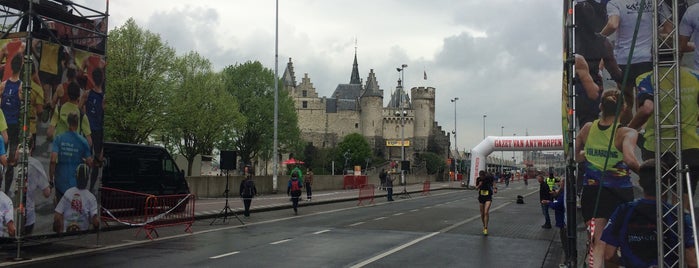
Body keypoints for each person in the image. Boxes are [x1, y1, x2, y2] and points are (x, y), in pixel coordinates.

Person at [575, 88, 641, 268]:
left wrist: (588, 154)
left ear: (600, 106)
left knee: (597, 244)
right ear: (624, 109)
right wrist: (647, 173)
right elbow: (629, 159)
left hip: (592, 193)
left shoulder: (587, 128)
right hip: (619, 194)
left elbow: (577, 156)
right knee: (613, 246)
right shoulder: (627, 133)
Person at [601, 159, 697, 267]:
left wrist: (628, 263)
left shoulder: (623, 211)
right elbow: (692, 262)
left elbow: (608, 255)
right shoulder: (680, 216)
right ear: (668, 182)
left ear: (639, 182)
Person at [628, 63, 699, 210]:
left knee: (657, 199)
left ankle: (658, 231)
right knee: (682, 204)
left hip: (656, 146)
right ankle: (681, 231)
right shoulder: (694, 76)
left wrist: (628, 129)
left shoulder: (646, 78)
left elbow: (647, 109)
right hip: (689, 146)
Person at [598, 0, 671, 125]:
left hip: (624, 59)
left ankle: (625, 131)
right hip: (647, 58)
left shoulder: (615, 3)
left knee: (626, 102)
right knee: (643, 99)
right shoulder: (656, 1)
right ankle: (641, 131)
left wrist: (598, 37)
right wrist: (651, 32)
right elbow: (669, 28)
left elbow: (613, 24)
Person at [49, 112, 93, 203]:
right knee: (73, 212)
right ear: (77, 124)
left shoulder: (59, 138)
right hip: (75, 183)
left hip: (60, 181)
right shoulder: (82, 141)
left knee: (60, 211)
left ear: (68, 123)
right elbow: (90, 163)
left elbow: (53, 160)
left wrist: (51, 178)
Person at [0, 53, 23, 194]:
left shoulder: (4, 85)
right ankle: (6, 190)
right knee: (10, 162)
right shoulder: (21, 87)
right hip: (10, 127)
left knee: (6, 159)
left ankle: (5, 189)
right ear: (20, 67)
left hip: (6, 126)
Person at [53, 164, 99, 233]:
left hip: (67, 235)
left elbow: (57, 216)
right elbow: (95, 220)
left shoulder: (68, 193)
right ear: (87, 179)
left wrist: (58, 232)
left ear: (76, 177)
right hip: (83, 236)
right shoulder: (91, 197)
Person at [15, 145, 51, 235]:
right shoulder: (36, 164)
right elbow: (47, 193)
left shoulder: (10, 162)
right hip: (28, 215)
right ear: (31, 148)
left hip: (9, 216)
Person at [80, 68, 105, 192]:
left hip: (89, 131)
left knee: (88, 159)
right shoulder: (102, 97)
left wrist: (84, 114)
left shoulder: (87, 93)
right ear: (102, 79)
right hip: (96, 132)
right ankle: (90, 187)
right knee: (94, 160)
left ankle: (85, 186)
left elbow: (79, 108)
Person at [547, 178, 568, 261]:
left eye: (562, 182)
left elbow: (558, 205)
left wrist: (549, 203)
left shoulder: (564, 193)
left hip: (563, 220)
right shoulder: (563, 192)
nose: (559, 183)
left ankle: (567, 259)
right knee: (563, 239)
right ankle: (567, 257)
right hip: (561, 220)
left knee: (565, 241)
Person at [476, 170, 496, 236]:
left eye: (482, 176)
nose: (481, 177)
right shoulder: (478, 179)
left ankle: (485, 228)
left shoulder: (488, 178)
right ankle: (484, 224)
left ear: (484, 175)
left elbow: (493, 182)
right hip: (481, 197)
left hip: (488, 197)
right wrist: (479, 185)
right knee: (482, 214)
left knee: (486, 212)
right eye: (480, 176)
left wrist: (495, 188)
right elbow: (476, 188)